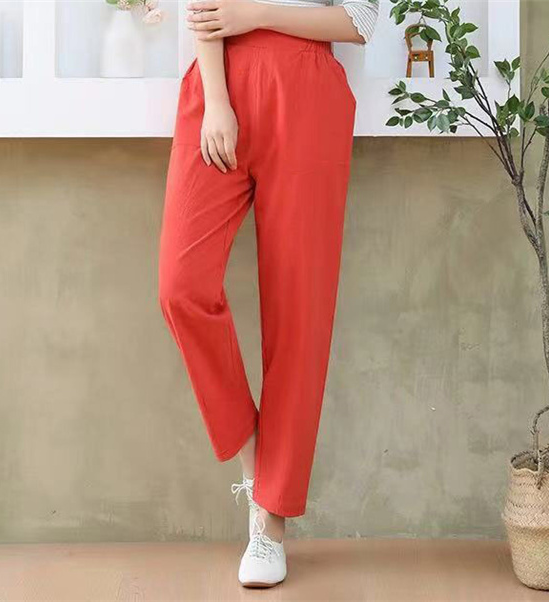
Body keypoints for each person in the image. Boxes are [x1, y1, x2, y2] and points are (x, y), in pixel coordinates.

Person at [158, 0, 378, 588]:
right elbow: (205, 10)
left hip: (307, 92)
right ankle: (258, 459)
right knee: (181, 286)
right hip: (218, 87)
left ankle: (269, 523)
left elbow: (359, 22)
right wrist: (217, 100)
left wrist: (254, 14)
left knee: (300, 310)